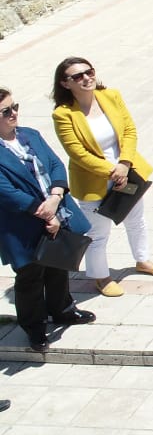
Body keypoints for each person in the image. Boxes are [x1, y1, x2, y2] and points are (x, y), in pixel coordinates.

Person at [50, 57, 153, 298]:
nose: (86, 78)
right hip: (94, 180)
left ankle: (143, 260)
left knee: (136, 219)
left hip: (127, 172)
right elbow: (77, 153)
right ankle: (101, 277)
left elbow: (129, 131)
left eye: (89, 72)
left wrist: (124, 164)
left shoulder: (110, 96)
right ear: (65, 83)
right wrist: (112, 171)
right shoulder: (63, 114)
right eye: (78, 76)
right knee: (98, 233)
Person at [0, 87, 97, 353]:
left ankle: (63, 310)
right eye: (6, 111)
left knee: (58, 265)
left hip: (55, 209)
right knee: (30, 276)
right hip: (23, 224)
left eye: (15, 107)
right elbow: (7, 192)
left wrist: (56, 196)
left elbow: (55, 164)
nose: (14, 113)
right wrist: (45, 213)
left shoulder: (30, 135)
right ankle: (34, 327)